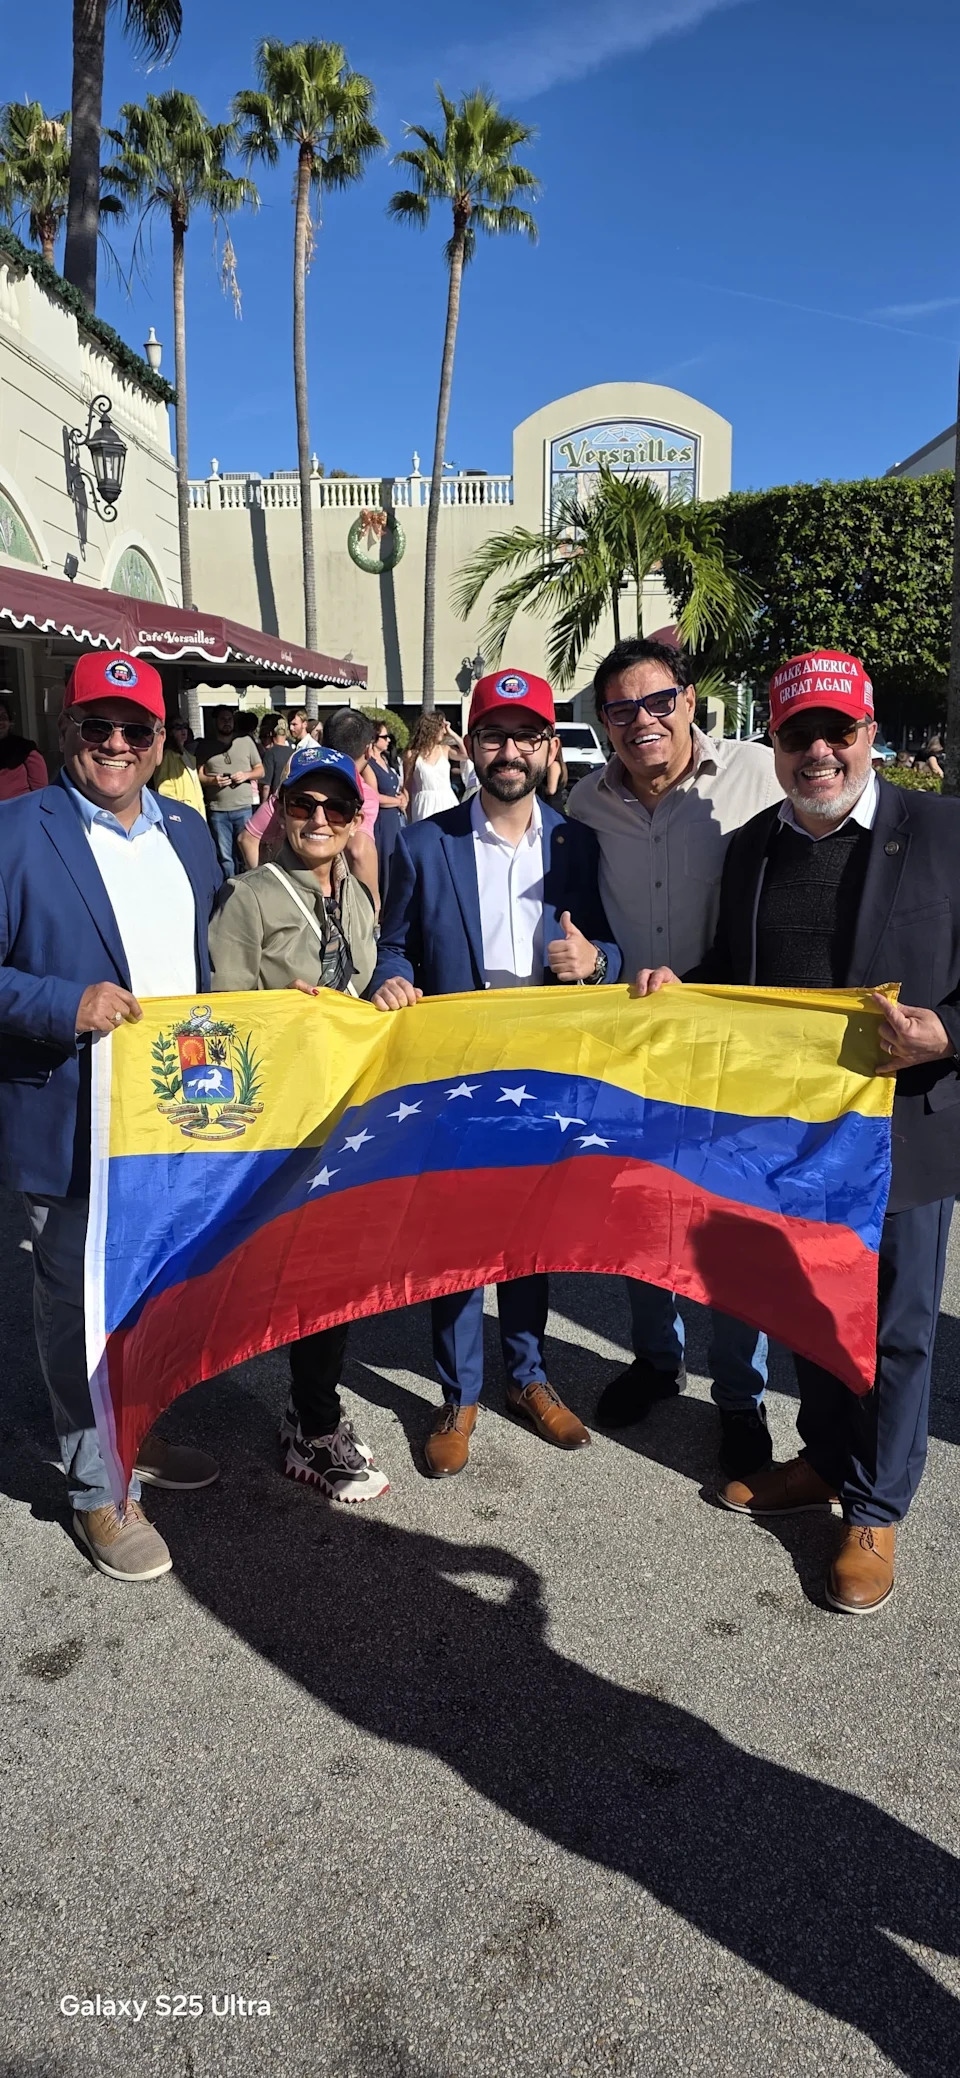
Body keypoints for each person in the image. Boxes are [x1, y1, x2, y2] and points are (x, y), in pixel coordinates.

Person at [635, 649, 960, 1615]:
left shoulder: (943, 831)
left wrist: (948, 1031)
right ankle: (823, 1460)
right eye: (797, 734)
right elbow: (736, 968)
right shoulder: (753, 848)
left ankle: (875, 1506)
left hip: (906, 1129)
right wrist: (680, 987)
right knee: (813, 1310)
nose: (819, 750)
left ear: (870, 735)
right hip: (795, 1131)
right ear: (774, 744)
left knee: (896, 1328)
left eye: (837, 731)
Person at [0, 651, 222, 1582]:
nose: (118, 745)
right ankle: (98, 1490)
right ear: (67, 728)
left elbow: (210, 974)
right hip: (68, 1119)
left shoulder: (188, 832)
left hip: (170, 1123)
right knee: (78, 1305)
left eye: (137, 729)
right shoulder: (16, 830)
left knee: (150, 1294)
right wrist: (63, 1005)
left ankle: (139, 1434)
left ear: (163, 740)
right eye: (100, 727)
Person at [371, 667, 621, 1477]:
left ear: (549, 747)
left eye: (525, 735)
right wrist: (389, 977)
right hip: (456, 1073)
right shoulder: (422, 842)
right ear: (468, 745)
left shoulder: (578, 844)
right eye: (493, 735)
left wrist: (596, 959)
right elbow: (395, 943)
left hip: (543, 1077)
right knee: (454, 1239)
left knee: (531, 1239)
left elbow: (615, 954)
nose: (508, 750)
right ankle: (458, 1393)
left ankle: (528, 1376)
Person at [566, 637, 784, 1474]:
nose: (641, 722)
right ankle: (658, 1361)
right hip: (633, 1045)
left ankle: (741, 1397)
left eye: (657, 703)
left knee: (730, 1225)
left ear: (690, 702)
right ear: (604, 723)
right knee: (644, 1213)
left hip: (734, 1040)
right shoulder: (586, 803)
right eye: (620, 710)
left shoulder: (757, 775)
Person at [208, 744, 387, 1503]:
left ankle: (310, 1409)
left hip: (352, 1119)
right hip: (285, 1124)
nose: (319, 819)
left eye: (336, 807)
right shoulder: (248, 896)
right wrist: (287, 1017)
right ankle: (312, 1427)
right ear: (277, 811)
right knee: (305, 1276)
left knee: (336, 1275)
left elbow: (371, 981)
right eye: (303, 805)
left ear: (354, 821)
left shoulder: (357, 898)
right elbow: (224, 1016)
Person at [198, 705, 264, 874]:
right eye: (223, 719)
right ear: (215, 722)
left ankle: (248, 889)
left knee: (247, 853)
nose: (227, 723)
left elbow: (260, 770)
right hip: (218, 811)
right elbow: (198, 776)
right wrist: (213, 780)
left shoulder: (246, 741)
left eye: (229, 719)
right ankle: (230, 890)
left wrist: (246, 775)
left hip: (243, 808)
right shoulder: (205, 746)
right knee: (225, 858)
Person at [404, 712, 473, 821]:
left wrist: (452, 733)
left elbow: (467, 755)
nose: (444, 731)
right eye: (442, 726)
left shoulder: (445, 749)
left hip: (446, 801)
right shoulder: (412, 754)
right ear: (433, 728)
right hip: (424, 804)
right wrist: (408, 815)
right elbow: (407, 786)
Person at [369, 719, 408, 905]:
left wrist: (403, 796)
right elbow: (374, 796)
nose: (388, 741)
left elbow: (396, 785)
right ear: (374, 739)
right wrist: (397, 801)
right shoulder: (369, 765)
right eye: (384, 737)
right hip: (382, 821)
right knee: (384, 864)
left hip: (395, 818)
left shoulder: (385, 760)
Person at [152, 715, 206, 819]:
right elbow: (164, 790)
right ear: (170, 731)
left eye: (185, 726)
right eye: (178, 727)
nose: (183, 730)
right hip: (182, 814)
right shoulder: (166, 756)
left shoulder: (188, 756)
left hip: (197, 812)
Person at [0, 691, 47, 800]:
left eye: (3, 717)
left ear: (10, 722)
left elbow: (40, 789)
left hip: (20, 812)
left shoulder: (25, 749)